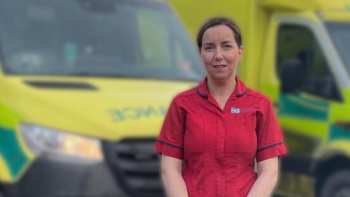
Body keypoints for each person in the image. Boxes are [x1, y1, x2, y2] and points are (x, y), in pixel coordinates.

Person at [155, 17, 287, 197]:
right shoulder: (181, 105)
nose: (218, 55)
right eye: (209, 47)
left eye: (226, 46)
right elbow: (170, 169)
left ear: (239, 52)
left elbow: (269, 171)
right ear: (201, 53)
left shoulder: (260, 105)